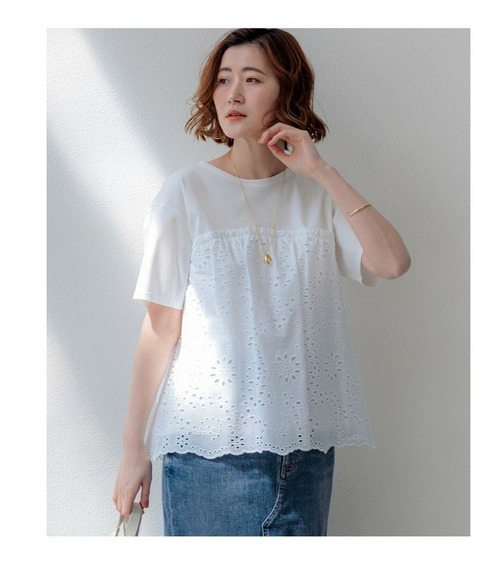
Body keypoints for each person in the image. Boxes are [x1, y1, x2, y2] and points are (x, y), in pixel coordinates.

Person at [113, 28, 411, 536]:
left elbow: (392, 263)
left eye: (252, 79)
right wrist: (132, 449)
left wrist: (322, 171)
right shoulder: (185, 192)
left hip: (305, 455)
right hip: (210, 457)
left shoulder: (316, 195)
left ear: (286, 92)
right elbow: (161, 328)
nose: (233, 94)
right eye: (223, 80)